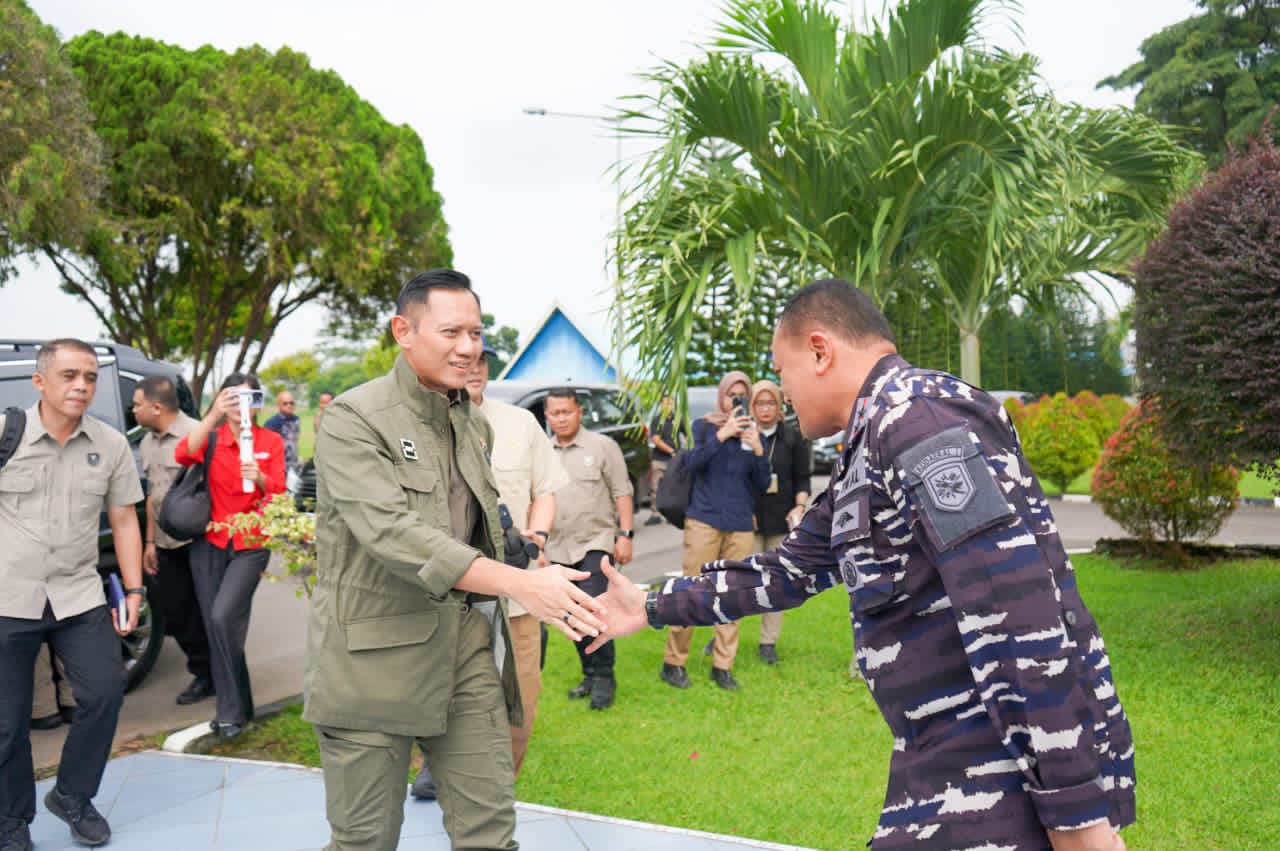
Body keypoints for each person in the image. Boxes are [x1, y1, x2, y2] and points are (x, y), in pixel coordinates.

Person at [590, 279, 1136, 851]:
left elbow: (1017, 617)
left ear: (821, 351)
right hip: (944, 761)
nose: (782, 390)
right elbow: (785, 572)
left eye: (785, 369)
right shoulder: (870, 444)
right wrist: (649, 604)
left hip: (1001, 769)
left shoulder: (916, 421)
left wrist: (1074, 813)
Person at [302, 268, 605, 851]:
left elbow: (476, 527)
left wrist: (527, 562)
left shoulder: (469, 419)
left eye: (476, 332)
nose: (469, 347)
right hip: (371, 661)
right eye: (451, 333)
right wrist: (522, 583)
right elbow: (395, 533)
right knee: (365, 842)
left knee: (489, 834)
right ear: (403, 331)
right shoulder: (353, 419)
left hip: (464, 650)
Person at [409, 335, 569, 800]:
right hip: (448, 593)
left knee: (521, 696)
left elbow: (546, 491)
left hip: (516, 592)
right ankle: (433, 766)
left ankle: (501, 783)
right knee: (438, 688)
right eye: (467, 360)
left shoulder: (520, 424)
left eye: (483, 360)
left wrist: (537, 537)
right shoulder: (420, 426)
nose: (475, 367)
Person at [0, 338, 145, 850]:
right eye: (69, 375)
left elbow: (124, 518)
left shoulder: (109, 444)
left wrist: (133, 589)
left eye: (89, 376)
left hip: (79, 596)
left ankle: (73, 796)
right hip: (7, 600)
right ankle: (9, 820)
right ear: (40, 381)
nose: (81, 385)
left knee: (105, 692)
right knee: (6, 722)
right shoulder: (6, 432)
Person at [175, 373, 286, 740]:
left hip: (251, 544)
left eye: (247, 398)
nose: (241, 407)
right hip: (210, 542)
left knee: (224, 618)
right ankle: (237, 710)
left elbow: (281, 496)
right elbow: (181, 453)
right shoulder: (211, 439)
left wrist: (262, 481)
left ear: (257, 402)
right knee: (216, 628)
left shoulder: (270, 441)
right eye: (232, 399)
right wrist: (212, 416)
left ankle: (232, 709)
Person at [661, 371, 769, 692]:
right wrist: (723, 434)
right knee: (691, 590)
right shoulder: (704, 427)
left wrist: (759, 453)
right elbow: (691, 463)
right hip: (704, 521)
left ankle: (723, 666)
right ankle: (673, 662)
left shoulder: (753, 433)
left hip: (739, 526)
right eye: (729, 394)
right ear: (720, 396)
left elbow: (762, 485)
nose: (734, 400)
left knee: (732, 595)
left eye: (740, 395)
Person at [543, 388, 634, 710]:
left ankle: (605, 677)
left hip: (594, 542)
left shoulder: (602, 446)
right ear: (548, 416)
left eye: (567, 411)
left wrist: (625, 534)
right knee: (569, 615)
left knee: (593, 609)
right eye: (555, 413)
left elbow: (622, 492)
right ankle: (589, 673)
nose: (561, 418)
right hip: (557, 548)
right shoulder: (542, 451)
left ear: (579, 412)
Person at [132, 374, 214, 705]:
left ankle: (218, 675)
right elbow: (153, 496)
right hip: (166, 545)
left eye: (136, 405)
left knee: (209, 613)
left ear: (156, 406)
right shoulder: (148, 443)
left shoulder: (199, 434)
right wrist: (150, 543)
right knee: (178, 613)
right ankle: (203, 672)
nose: (133, 411)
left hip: (199, 543)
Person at [746, 379, 810, 665]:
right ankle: (722, 634)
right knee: (738, 580)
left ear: (779, 404)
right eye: (760, 403)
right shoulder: (743, 436)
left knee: (775, 581)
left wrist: (799, 505)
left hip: (780, 517)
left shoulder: (792, 437)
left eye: (771, 401)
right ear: (752, 406)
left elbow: (802, 478)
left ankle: (768, 640)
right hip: (746, 519)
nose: (766, 408)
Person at [644, 395, 679, 525]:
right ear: (660, 405)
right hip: (659, 458)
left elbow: (687, 437)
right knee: (656, 488)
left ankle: (672, 515)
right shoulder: (656, 420)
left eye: (670, 403)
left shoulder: (678, 419)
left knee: (673, 488)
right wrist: (671, 451)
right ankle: (655, 514)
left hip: (675, 460)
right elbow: (656, 440)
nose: (668, 406)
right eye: (665, 403)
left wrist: (684, 452)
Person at [262, 390, 300, 470]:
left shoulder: (296, 420)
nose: (289, 405)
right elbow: (265, 447)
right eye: (285, 403)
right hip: (278, 465)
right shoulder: (272, 423)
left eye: (291, 403)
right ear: (278, 405)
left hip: (293, 463)